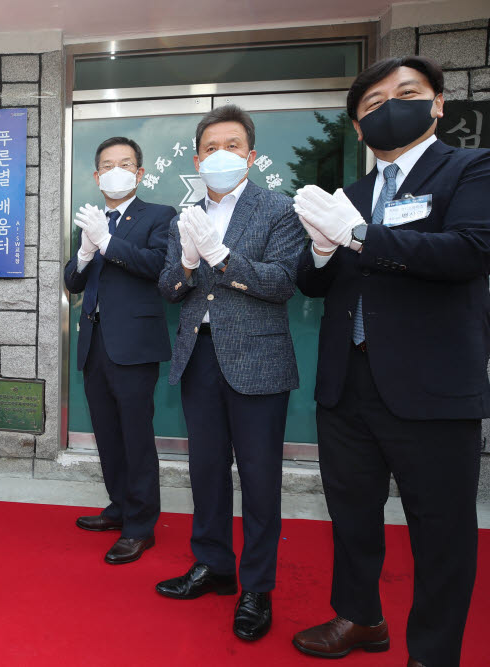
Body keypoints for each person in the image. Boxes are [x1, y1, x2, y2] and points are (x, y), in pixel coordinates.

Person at [291, 56, 490, 667]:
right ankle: (360, 617)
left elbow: (470, 250)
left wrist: (360, 237)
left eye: (406, 93)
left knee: (441, 532)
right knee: (351, 513)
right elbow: (312, 282)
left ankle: (431, 653)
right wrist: (324, 249)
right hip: (347, 386)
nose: (389, 107)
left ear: (436, 105)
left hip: (429, 386)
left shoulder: (470, 168)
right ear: (357, 127)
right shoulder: (349, 194)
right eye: (372, 104)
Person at [155, 105, 303, 641]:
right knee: (207, 470)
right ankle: (213, 565)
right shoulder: (184, 214)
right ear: (197, 158)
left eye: (233, 145)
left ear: (251, 155)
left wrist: (222, 258)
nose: (222, 154)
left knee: (261, 479)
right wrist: (189, 264)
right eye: (212, 147)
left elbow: (283, 282)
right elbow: (170, 289)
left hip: (258, 360)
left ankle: (257, 586)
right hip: (200, 357)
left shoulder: (277, 210)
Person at [63, 136, 174, 565]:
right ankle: (119, 505)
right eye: (107, 164)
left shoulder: (159, 216)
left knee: (135, 436)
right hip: (94, 343)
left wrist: (108, 244)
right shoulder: (90, 219)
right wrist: (88, 251)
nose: (116, 170)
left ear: (139, 173)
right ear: (96, 175)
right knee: (107, 435)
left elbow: (158, 267)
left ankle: (141, 525)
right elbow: (73, 281)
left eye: (125, 164)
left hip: (134, 345)